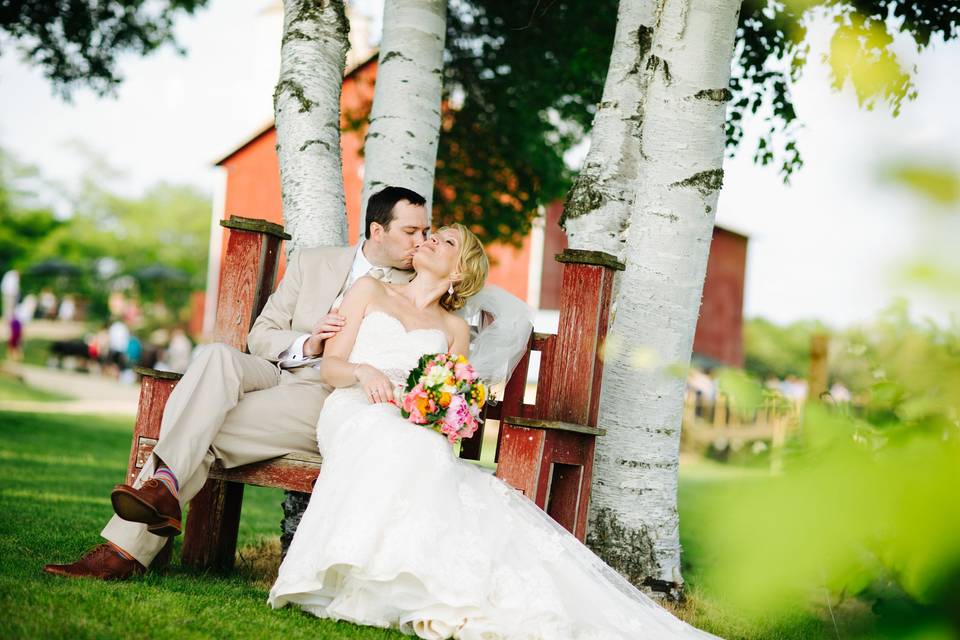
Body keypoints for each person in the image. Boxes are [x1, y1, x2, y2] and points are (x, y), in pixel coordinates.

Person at [269, 225, 718, 640]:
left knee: (420, 447)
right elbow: (330, 367)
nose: (427, 240)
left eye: (443, 241)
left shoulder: (453, 328)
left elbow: (454, 395)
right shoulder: (369, 290)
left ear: (460, 269)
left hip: (409, 422)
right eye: (430, 234)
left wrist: (437, 411)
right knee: (401, 443)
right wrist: (363, 371)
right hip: (353, 407)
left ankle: (410, 576)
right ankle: (363, 573)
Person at [43, 186, 431, 580]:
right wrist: (309, 342)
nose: (421, 242)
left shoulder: (419, 284)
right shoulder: (314, 263)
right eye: (411, 231)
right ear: (377, 230)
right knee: (215, 356)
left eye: (425, 232)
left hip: (325, 395)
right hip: (279, 367)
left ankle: (126, 544)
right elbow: (262, 334)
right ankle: (159, 494)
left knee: (202, 428)